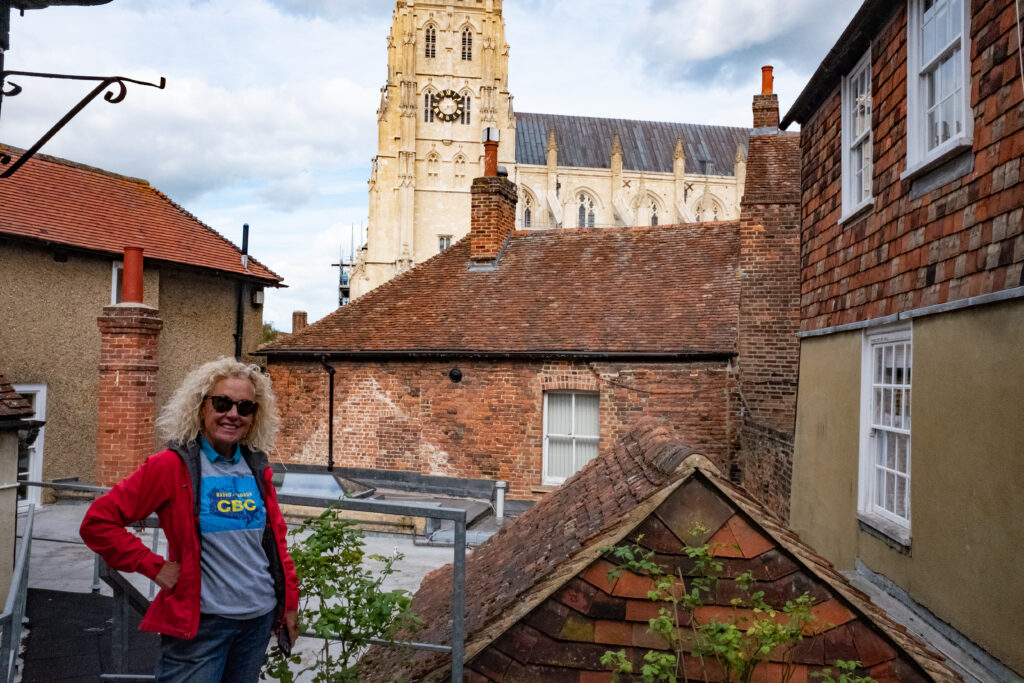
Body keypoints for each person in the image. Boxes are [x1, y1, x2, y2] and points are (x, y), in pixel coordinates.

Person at [80, 357, 299, 683]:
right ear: (201, 408)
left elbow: (276, 543)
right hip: (202, 626)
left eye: (245, 407)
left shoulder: (256, 467)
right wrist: (153, 566)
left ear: (254, 417)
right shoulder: (171, 465)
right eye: (222, 403)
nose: (233, 414)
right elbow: (98, 522)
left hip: (257, 620)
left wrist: (288, 604)